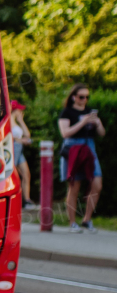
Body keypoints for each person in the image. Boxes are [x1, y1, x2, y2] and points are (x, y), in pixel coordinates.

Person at [58, 84, 105, 233]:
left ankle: (86, 219)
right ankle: (72, 223)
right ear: (74, 97)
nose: (84, 99)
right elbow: (65, 133)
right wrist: (83, 122)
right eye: (81, 97)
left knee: (97, 183)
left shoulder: (89, 112)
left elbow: (102, 133)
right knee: (74, 186)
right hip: (73, 149)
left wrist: (97, 123)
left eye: (87, 97)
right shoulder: (67, 112)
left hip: (89, 148)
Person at [10, 101, 36, 210]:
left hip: (19, 149)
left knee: (26, 174)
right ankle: (14, 200)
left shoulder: (16, 122)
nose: (21, 112)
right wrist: (21, 140)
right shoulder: (8, 121)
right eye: (19, 110)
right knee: (13, 175)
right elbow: (8, 136)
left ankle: (27, 200)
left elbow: (27, 134)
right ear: (15, 110)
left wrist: (21, 121)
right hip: (13, 149)